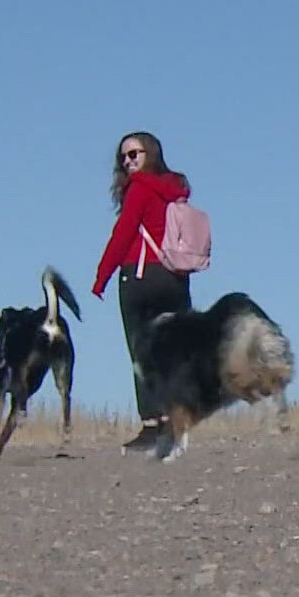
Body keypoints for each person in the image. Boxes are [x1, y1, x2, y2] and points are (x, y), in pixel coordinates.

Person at [92, 131, 194, 453]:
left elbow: (122, 235)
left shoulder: (139, 190)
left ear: (150, 153)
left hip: (139, 276)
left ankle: (153, 425)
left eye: (134, 154)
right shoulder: (176, 190)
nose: (128, 161)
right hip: (174, 277)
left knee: (142, 351)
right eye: (123, 157)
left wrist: (101, 278)